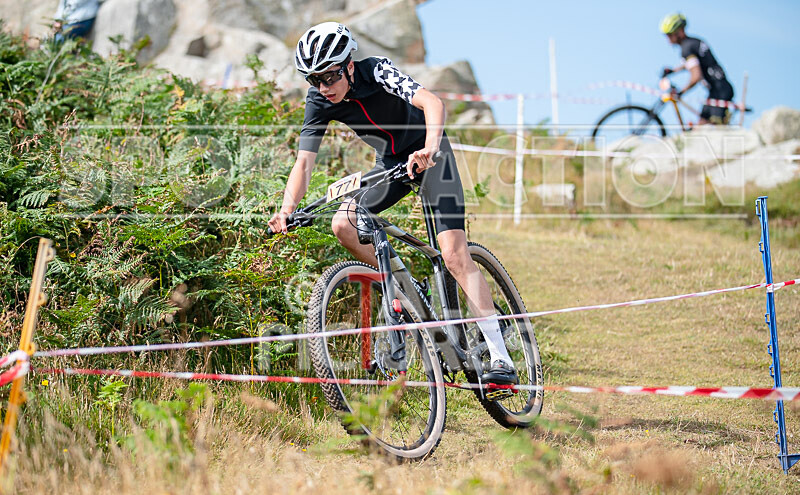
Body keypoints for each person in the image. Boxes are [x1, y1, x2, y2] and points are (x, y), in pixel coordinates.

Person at [268, 22, 518, 385]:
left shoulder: (377, 71)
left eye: (330, 76)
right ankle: (408, 287)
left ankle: (501, 357)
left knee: (453, 254)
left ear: (349, 66)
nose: (324, 87)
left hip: (433, 158)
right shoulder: (320, 100)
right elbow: (304, 162)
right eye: (314, 80)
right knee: (343, 223)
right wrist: (287, 210)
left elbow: (432, 102)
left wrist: (430, 147)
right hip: (391, 166)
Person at [660, 13, 735, 124]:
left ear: (679, 32)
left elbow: (696, 76)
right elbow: (695, 63)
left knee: (713, 128)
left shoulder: (686, 48)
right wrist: (674, 71)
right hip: (718, 90)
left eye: (670, 35)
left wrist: (681, 92)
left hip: (719, 93)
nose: (668, 39)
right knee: (701, 125)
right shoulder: (693, 42)